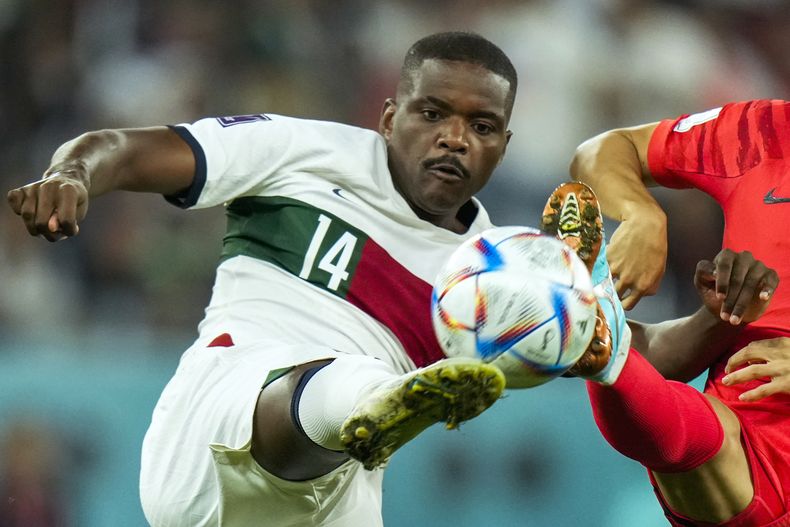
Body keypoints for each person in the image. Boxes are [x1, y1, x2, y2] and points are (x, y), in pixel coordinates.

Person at [6, 32, 522, 526]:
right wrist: (72, 174)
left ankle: (379, 406)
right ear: (389, 118)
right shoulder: (301, 150)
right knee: (333, 378)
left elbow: (569, 356)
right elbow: (125, 147)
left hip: (335, 500)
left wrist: (583, 323)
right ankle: (372, 402)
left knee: (357, 419)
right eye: (432, 113)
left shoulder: (493, 274)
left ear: (504, 144)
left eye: (482, 127)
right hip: (213, 427)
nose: (455, 139)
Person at [560, 99, 790, 526]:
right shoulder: (763, 131)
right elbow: (601, 151)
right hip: (737, 437)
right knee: (690, 437)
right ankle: (598, 340)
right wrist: (640, 214)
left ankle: (598, 338)